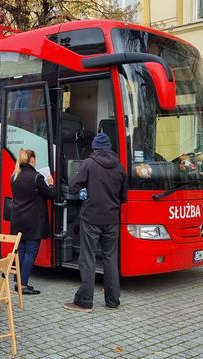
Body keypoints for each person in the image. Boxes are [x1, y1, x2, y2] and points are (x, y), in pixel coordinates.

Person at [63, 132, 127, 313]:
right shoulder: (120, 167)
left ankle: (84, 301)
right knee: (110, 258)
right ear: (109, 148)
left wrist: (85, 188)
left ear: (94, 148)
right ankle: (113, 301)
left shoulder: (89, 163)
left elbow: (74, 185)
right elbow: (123, 197)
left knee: (88, 258)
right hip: (112, 219)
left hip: (91, 218)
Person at [10, 149, 56, 295]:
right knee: (31, 252)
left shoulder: (14, 176)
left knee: (22, 251)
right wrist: (51, 184)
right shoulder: (37, 177)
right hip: (33, 221)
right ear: (32, 160)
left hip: (18, 220)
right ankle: (23, 285)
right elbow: (50, 195)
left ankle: (19, 282)